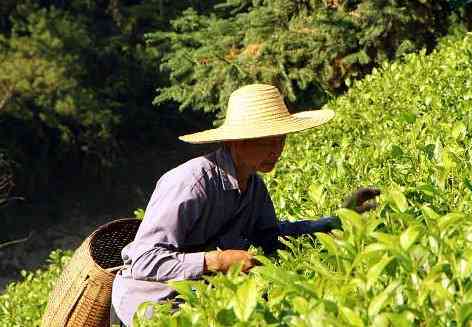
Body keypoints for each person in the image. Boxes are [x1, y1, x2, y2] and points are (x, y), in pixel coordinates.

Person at [111, 84, 380, 326]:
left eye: (281, 139)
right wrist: (216, 260)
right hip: (152, 310)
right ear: (236, 142)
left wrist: (337, 220)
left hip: (204, 301)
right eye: (266, 141)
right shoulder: (191, 184)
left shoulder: (253, 185)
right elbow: (143, 261)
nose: (276, 150)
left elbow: (272, 237)